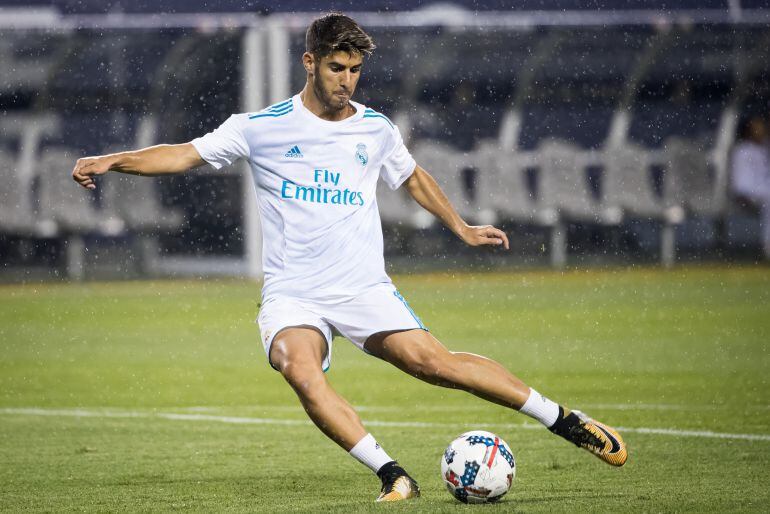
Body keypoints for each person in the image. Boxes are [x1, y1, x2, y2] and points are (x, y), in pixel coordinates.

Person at [72, 13, 627, 502]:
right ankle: (392, 475)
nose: (347, 80)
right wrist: (111, 159)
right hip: (293, 293)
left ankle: (564, 420)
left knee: (434, 364)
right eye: (337, 67)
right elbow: (182, 155)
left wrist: (460, 227)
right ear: (310, 62)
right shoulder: (260, 128)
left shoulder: (374, 128)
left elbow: (411, 176)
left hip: (362, 287)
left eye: (355, 69)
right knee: (298, 367)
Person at [731, 115, 770, 259]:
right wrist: (742, 196)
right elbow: (741, 183)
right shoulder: (743, 151)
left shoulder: (764, 148)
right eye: (756, 128)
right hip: (750, 193)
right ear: (748, 131)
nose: (761, 131)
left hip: (763, 190)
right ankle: (768, 246)